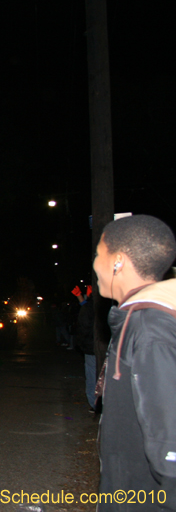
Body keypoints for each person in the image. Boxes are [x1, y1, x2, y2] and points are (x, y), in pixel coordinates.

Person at [93, 215, 176, 510]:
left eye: (98, 255)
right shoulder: (136, 319)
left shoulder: (150, 328)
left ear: (118, 261)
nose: (94, 265)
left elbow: (169, 439)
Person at [71, 284, 96, 412]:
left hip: (92, 347)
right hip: (96, 347)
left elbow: (85, 321)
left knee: (93, 376)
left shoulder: (93, 307)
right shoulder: (96, 305)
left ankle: (95, 404)